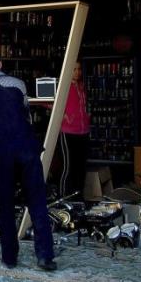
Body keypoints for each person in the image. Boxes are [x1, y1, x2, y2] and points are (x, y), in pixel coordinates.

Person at [0, 49, 57, 271]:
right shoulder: (18, 84)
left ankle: (10, 257)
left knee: (5, 204)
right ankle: (45, 256)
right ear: (0, 63)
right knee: (37, 202)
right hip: (26, 148)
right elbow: (25, 112)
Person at [59, 64, 91, 199]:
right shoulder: (63, 86)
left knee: (81, 167)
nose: (77, 72)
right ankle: (63, 198)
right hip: (69, 131)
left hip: (83, 131)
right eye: (74, 69)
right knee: (68, 167)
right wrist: (65, 115)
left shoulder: (81, 86)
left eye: (79, 69)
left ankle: (78, 197)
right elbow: (48, 102)